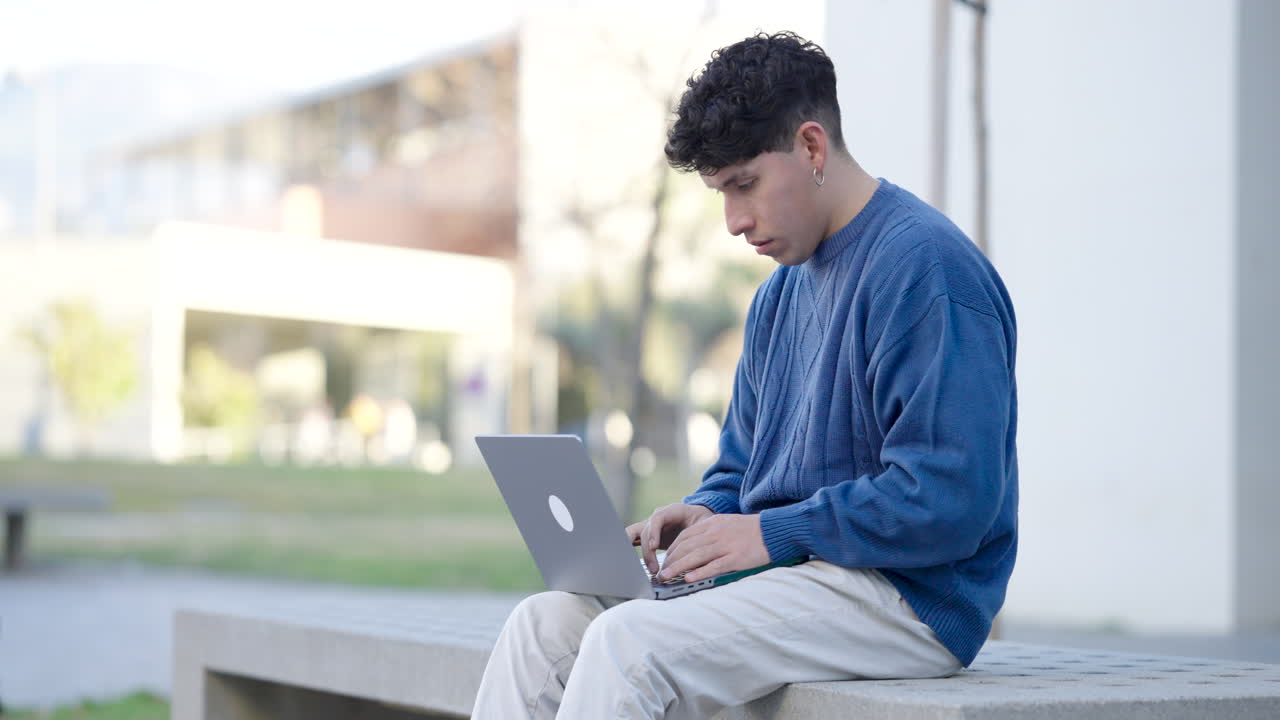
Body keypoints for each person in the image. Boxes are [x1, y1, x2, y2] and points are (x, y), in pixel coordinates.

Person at [471, 30, 1018, 719]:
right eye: (719, 193)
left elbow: (950, 500)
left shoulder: (926, 269)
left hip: (907, 598)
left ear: (812, 148)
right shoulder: (779, 295)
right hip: (796, 574)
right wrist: (707, 514)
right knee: (544, 625)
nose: (733, 221)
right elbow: (741, 471)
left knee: (625, 645)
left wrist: (770, 534)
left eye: (744, 185)